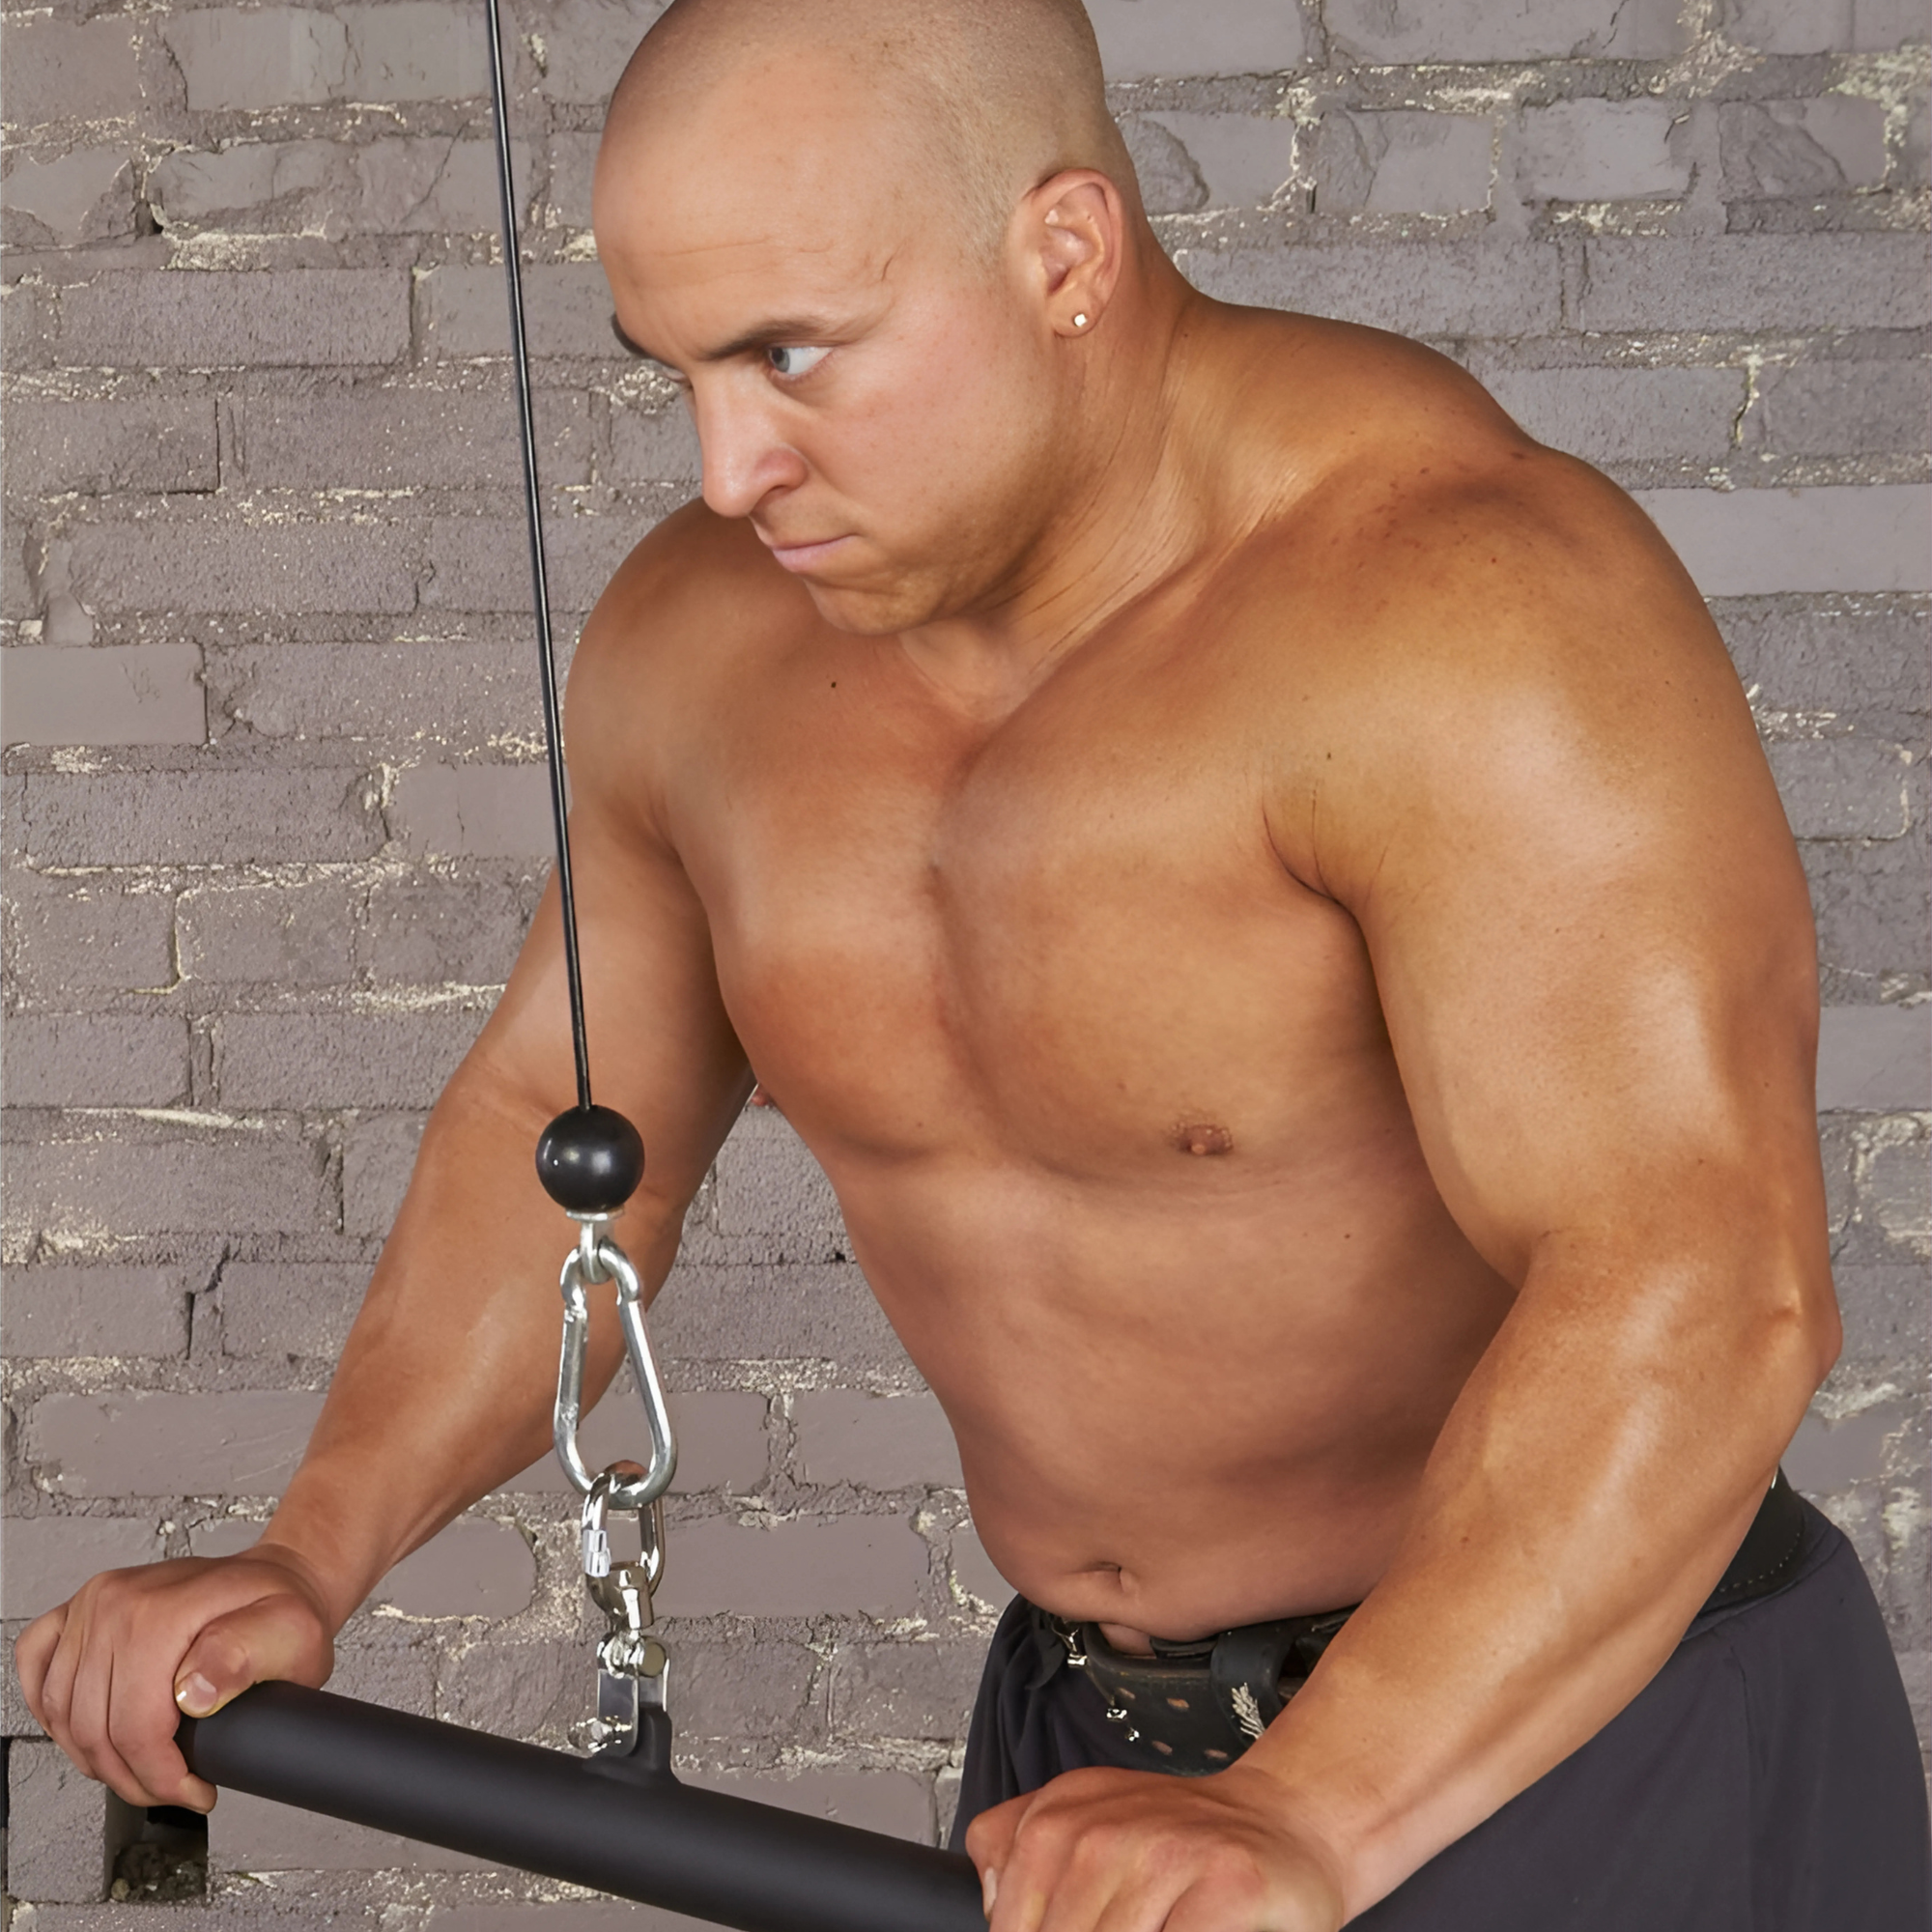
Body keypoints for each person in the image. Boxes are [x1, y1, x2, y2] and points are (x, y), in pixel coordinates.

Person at [18, 1, 1927, 1926]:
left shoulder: (1452, 611)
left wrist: (1318, 1811)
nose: (728, 467)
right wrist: (307, 1553)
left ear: (1064, 256)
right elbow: (569, 1126)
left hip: (1566, 1731)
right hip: (1089, 1763)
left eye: (790, 355)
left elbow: (1701, 1277)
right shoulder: (705, 649)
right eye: (673, 369)